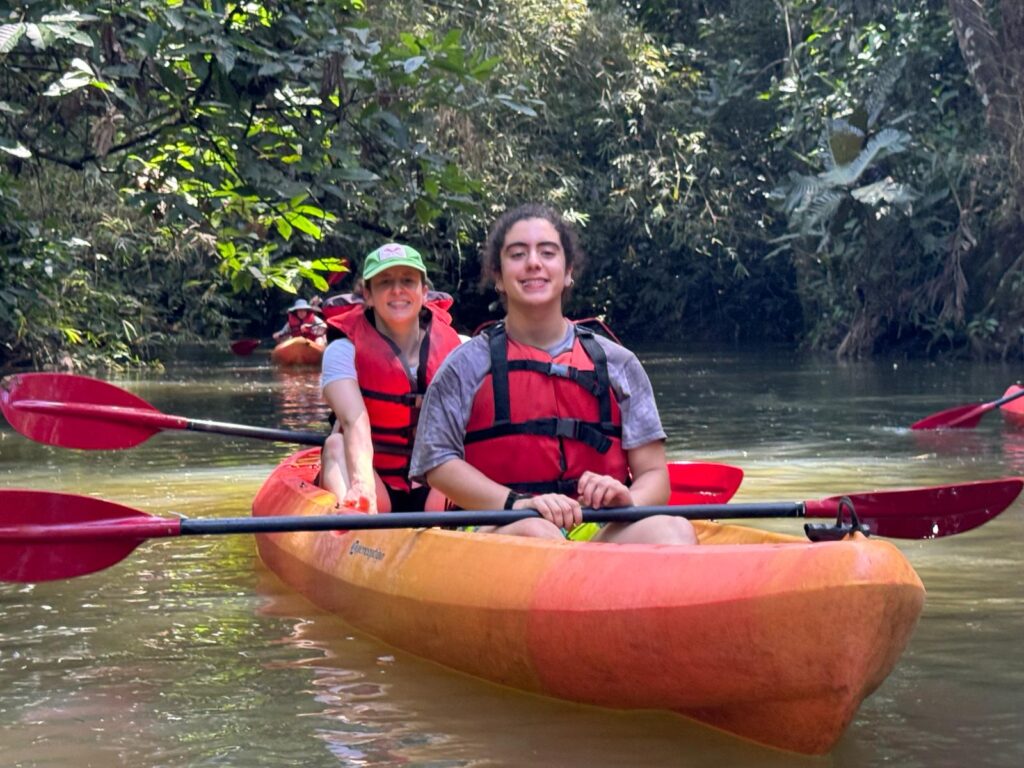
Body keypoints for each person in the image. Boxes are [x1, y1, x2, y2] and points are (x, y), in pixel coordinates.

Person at [409, 203, 698, 544]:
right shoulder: (464, 365)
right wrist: (518, 505)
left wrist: (627, 500)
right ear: (499, 277)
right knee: (538, 531)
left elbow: (654, 475)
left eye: (547, 252)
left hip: (594, 525)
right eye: (517, 254)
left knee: (674, 529)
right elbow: (437, 463)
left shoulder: (619, 363)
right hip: (496, 525)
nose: (534, 262)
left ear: (568, 270)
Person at [319, 243, 463, 513]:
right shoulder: (342, 350)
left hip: (437, 485)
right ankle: (356, 525)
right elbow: (353, 421)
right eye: (385, 282)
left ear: (424, 292)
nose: (397, 290)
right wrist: (363, 485)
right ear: (368, 295)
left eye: (407, 280)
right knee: (335, 444)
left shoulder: (458, 348)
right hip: (373, 482)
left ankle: (447, 533)